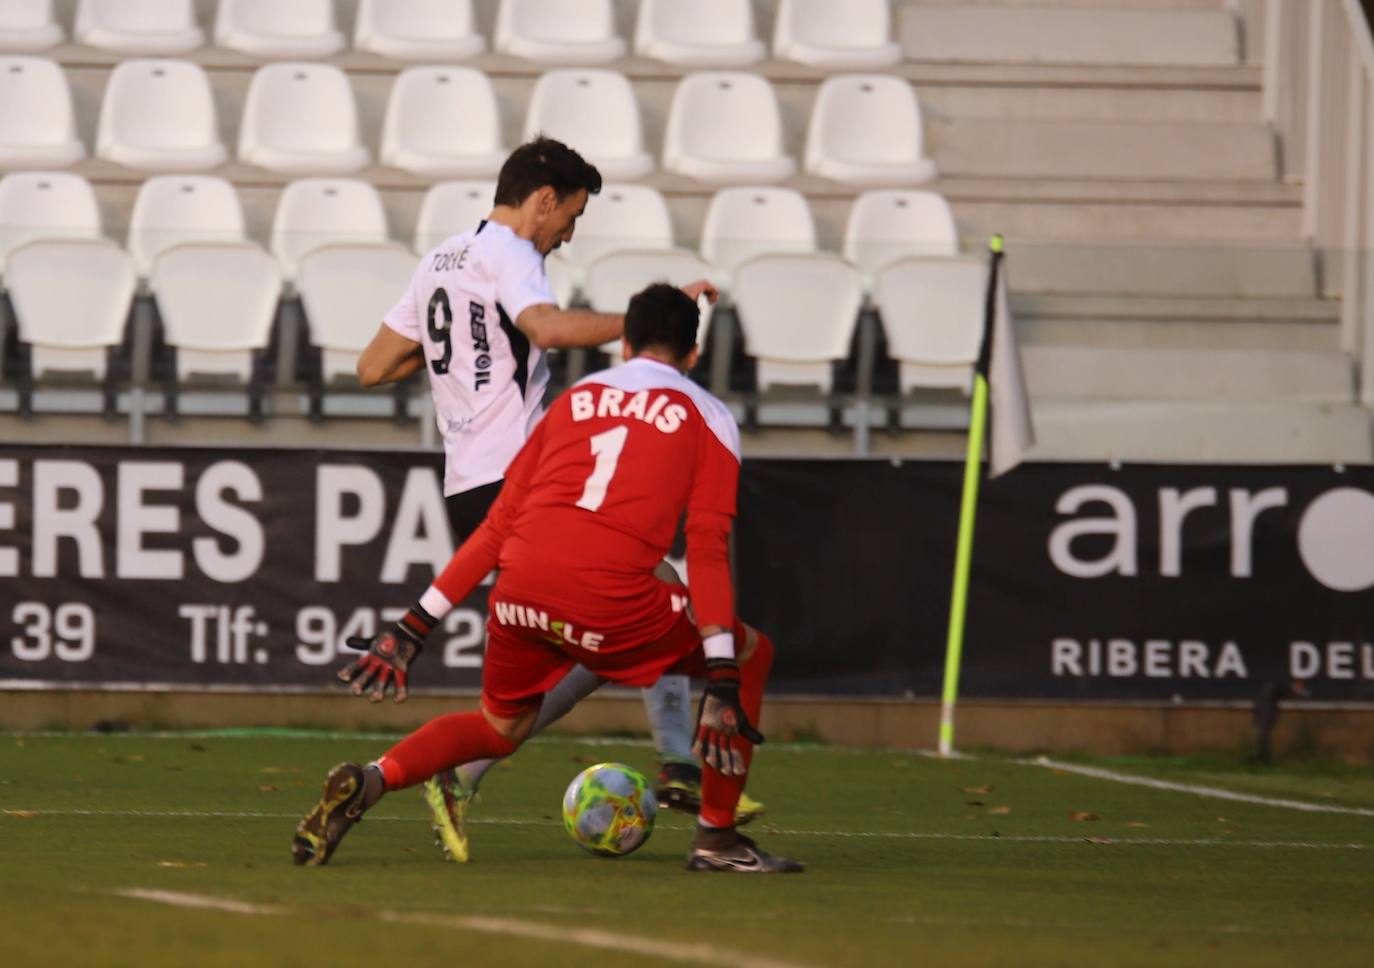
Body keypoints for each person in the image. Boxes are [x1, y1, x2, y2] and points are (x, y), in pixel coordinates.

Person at [295, 283, 802, 874]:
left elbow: (497, 527)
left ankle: (374, 780)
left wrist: (414, 625)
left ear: (625, 343)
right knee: (752, 653)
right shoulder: (708, 415)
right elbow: (709, 548)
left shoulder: (576, 399)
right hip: (614, 598)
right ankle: (717, 839)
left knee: (499, 726)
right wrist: (720, 673)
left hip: (520, 592)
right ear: (693, 356)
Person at [349, 136, 756, 860]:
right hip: (525, 477)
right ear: (543, 200)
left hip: (467, 482)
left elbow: (373, 365)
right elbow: (548, 328)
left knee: (598, 631)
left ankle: (663, 763)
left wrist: (461, 353)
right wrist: (640, 333)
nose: (567, 234)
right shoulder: (511, 253)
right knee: (642, 604)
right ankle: (672, 768)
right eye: (570, 216)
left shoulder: (441, 257)